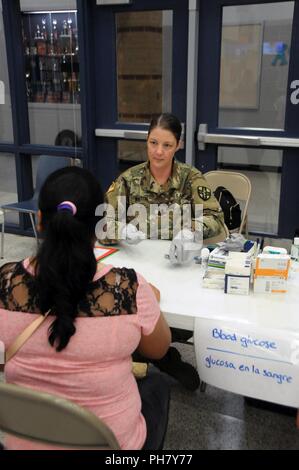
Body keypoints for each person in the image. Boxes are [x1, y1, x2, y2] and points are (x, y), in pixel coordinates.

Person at [0, 166, 171, 450]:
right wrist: (144, 296)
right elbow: (158, 349)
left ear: (40, 220)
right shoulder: (127, 289)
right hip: (111, 447)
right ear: (100, 224)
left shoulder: (6, 284)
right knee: (157, 384)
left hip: (25, 445)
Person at [102, 113, 227, 391]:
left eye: (167, 145)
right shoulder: (128, 180)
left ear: (178, 145)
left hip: (178, 265)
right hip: (137, 264)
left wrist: (193, 230)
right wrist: (120, 230)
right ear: (146, 141)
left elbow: (216, 218)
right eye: (153, 143)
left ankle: (149, 353)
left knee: (175, 311)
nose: (158, 151)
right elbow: (103, 222)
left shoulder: (190, 178)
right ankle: (157, 355)